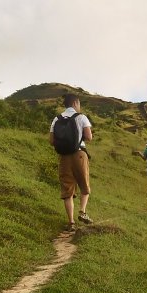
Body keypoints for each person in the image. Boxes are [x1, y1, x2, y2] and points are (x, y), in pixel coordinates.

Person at [49, 93, 93, 231]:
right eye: (79, 104)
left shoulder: (56, 119)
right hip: (79, 154)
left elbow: (51, 141)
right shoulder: (81, 117)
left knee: (67, 189)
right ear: (75, 103)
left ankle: (71, 222)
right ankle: (82, 212)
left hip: (64, 157)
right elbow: (89, 137)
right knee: (84, 186)